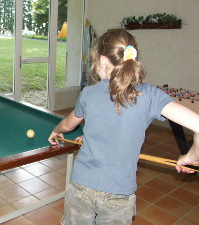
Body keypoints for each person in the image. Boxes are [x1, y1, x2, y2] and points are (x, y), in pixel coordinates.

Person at [48, 28, 199, 225]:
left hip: (81, 185)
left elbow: (68, 124)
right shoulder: (149, 94)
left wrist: (57, 130)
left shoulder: (89, 92)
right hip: (118, 193)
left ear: (102, 60)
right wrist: (191, 156)